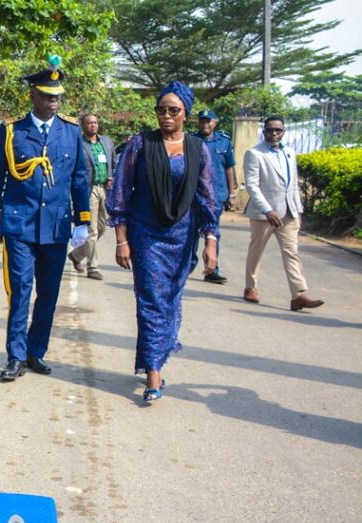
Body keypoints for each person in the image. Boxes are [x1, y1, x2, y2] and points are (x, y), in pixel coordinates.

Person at [105, 81, 219, 403]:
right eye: (161, 109)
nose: (166, 115)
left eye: (173, 110)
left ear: (186, 113)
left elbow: (207, 197)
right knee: (151, 300)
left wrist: (211, 240)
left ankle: (158, 355)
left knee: (170, 299)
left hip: (182, 237)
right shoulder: (141, 145)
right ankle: (153, 374)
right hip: (146, 235)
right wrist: (121, 240)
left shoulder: (199, 149)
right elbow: (121, 193)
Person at [0, 56, 90, 382]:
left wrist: (83, 221)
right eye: (46, 95)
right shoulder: (13, 131)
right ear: (33, 95)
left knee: (49, 293)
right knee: (21, 291)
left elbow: (80, 179)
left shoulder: (71, 131)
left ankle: (35, 351)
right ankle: (15, 356)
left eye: (57, 96)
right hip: (20, 224)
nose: (53, 102)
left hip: (56, 226)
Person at [241, 116, 324, 311]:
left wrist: (297, 210)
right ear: (264, 132)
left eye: (278, 130)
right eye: (270, 130)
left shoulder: (289, 152)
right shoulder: (254, 153)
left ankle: (298, 295)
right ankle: (250, 287)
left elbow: (293, 184)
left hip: (289, 213)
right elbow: (252, 185)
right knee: (256, 251)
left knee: (292, 252)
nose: (274, 133)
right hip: (264, 214)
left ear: (283, 132)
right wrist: (267, 209)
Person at [189, 110, 237, 284]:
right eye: (202, 121)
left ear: (215, 122)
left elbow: (229, 168)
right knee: (191, 230)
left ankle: (211, 270)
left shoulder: (224, 142)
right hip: (194, 194)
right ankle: (188, 265)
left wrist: (231, 194)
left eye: (208, 121)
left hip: (217, 194)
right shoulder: (192, 141)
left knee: (213, 232)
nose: (204, 125)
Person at [68, 113, 115, 280]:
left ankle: (77, 255)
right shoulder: (77, 143)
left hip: (105, 188)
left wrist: (112, 177)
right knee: (91, 229)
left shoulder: (107, 142)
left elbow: (113, 163)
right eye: (89, 123)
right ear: (83, 125)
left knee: (103, 226)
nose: (93, 125)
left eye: (95, 122)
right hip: (88, 190)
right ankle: (93, 267)